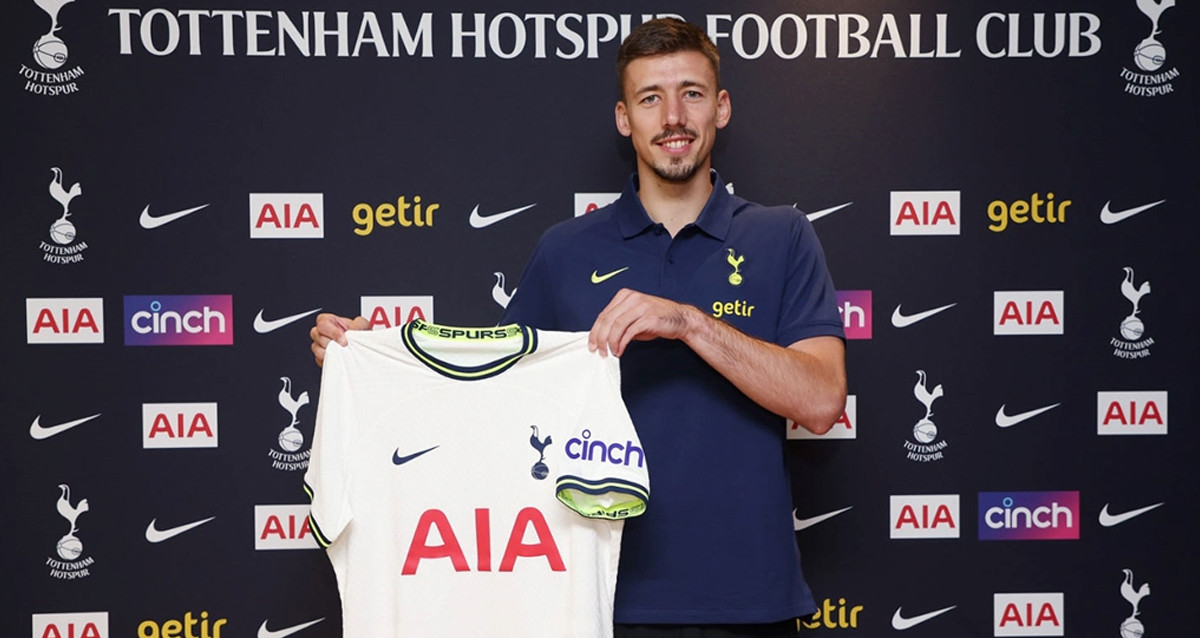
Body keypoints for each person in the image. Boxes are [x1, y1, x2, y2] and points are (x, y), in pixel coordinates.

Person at [310, 17, 846, 638]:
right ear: (625, 118)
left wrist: (690, 323)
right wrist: (373, 361)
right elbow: (492, 404)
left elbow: (821, 400)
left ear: (721, 107)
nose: (674, 115)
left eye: (692, 93)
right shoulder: (566, 250)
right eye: (651, 98)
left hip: (751, 600)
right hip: (593, 600)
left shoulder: (782, 236)